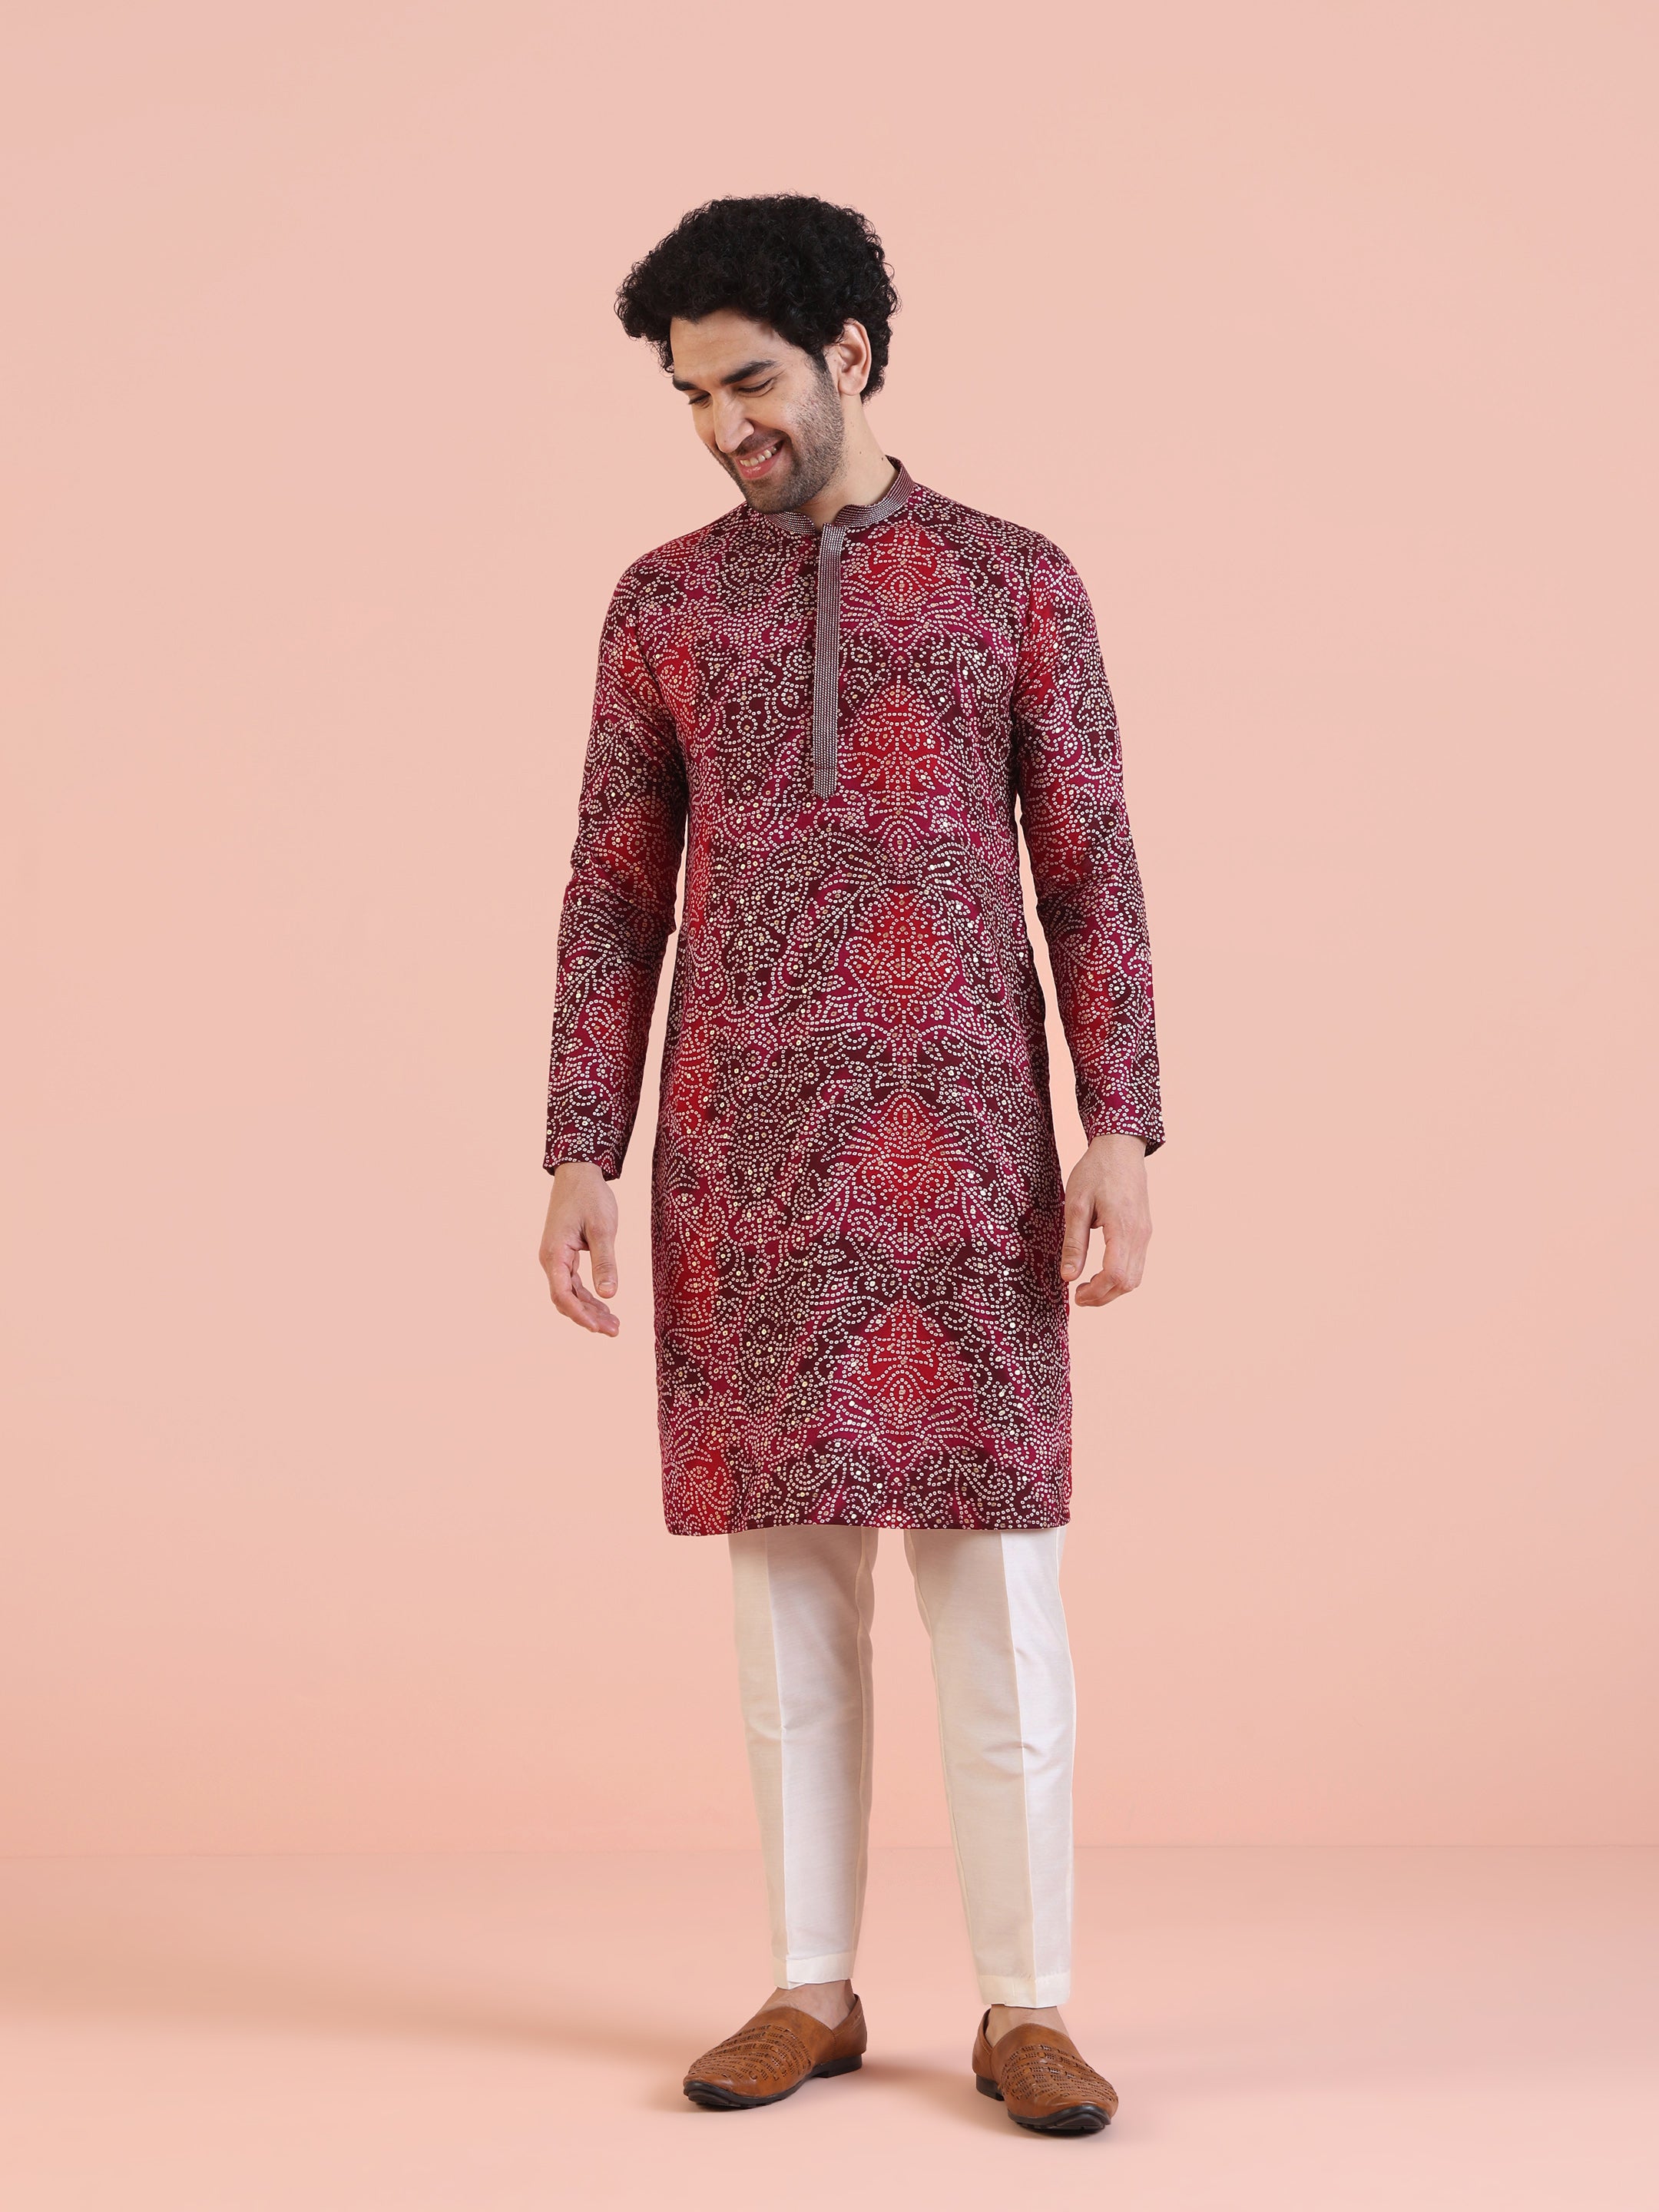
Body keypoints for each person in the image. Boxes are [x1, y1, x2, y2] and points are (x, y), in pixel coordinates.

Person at [538, 194, 1162, 2135]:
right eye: (690, 394)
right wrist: (580, 1147)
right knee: (785, 1597)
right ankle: (809, 1986)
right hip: (749, 1158)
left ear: (854, 354)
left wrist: (1122, 1125)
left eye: (749, 381)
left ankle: (1027, 2007)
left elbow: (1090, 871)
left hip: (970, 1150)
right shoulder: (663, 603)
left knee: (1000, 1593)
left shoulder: (1015, 582)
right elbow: (612, 892)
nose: (722, 423)